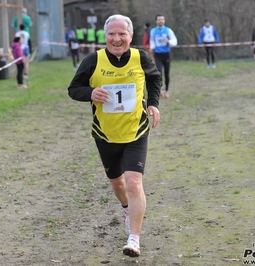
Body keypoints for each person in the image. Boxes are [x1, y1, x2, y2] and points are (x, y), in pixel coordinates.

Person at [68, 14, 161, 258]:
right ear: (105, 36)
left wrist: (153, 103)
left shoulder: (141, 57)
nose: (116, 39)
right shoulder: (93, 60)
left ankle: (134, 239)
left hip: (136, 131)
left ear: (130, 36)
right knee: (118, 184)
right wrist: (90, 93)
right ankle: (126, 209)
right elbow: (73, 89)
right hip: (105, 134)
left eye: (122, 34)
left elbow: (154, 78)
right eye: (112, 34)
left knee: (133, 182)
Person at [150, 13, 177, 98]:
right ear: (156, 21)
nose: (160, 21)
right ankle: (160, 89)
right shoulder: (153, 31)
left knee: (166, 73)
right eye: (159, 19)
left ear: (164, 21)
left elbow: (174, 42)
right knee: (159, 72)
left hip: (166, 54)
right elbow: (152, 41)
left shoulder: (168, 30)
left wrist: (168, 41)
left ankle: (167, 91)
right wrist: (152, 48)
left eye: (162, 19)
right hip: (157, 54)